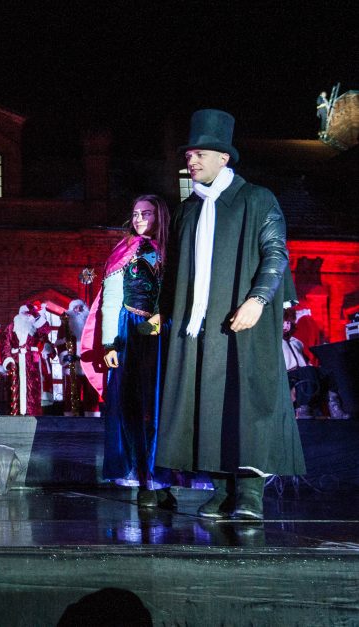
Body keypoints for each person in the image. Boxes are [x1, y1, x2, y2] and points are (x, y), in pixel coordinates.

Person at [153, 109, 305, 520]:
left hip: (243, 320)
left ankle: (250, 493)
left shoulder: (257, 199)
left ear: (224, 158)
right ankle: (220, 488)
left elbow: (275, 252)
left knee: (246, 401)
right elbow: (174, 272)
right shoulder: (188, 210)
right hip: (198, 325)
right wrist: (162, 312)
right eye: (189, 155)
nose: (192, 160)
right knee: (203, 403)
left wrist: (258, 298)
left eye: (200, 154)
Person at [80, 195, 175, 509]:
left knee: (164, 407)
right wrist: (109, 344)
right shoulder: (124, 250)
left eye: (146, 214)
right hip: (131, 332)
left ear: (159, 216)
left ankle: (164, 478)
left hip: (164, 335)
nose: (138, 219)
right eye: (135, 214)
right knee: (135, 406)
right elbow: (110, 300)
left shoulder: (173, 250)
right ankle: (144, 479)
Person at [283, 310, 350, 420]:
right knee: (307, 371)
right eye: (284, 322)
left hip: (302, 371)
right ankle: (302, 408)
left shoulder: (296, 342)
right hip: (287, 374)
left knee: (327, 371)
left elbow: (304, 359)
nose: (287, 325)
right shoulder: (274, 341)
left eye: (288, 322)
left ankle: (334, 407)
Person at [0, 303, 52, 416]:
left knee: (33, 389)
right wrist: (8, 360)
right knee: (14, 388)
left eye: (28, 313)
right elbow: (5, 345)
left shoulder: (35, 327)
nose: (26, 316)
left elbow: (46, 330)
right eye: (24, 313)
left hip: (31, 362)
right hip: (15, 362)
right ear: (19, 314)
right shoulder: (10, 327)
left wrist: (36, 315)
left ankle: (32, 413)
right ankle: (15, 412)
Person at [56, 299, 100, 416]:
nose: (78, 311)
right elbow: (60, 344)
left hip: (89, 363)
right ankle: (70, 414)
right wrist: (65, 356)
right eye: (75, 308)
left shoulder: (91, 324)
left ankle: (92, 415)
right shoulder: (65, 326)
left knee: (91, 391)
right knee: (71, 391)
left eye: (80, 308)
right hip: (72, 363)